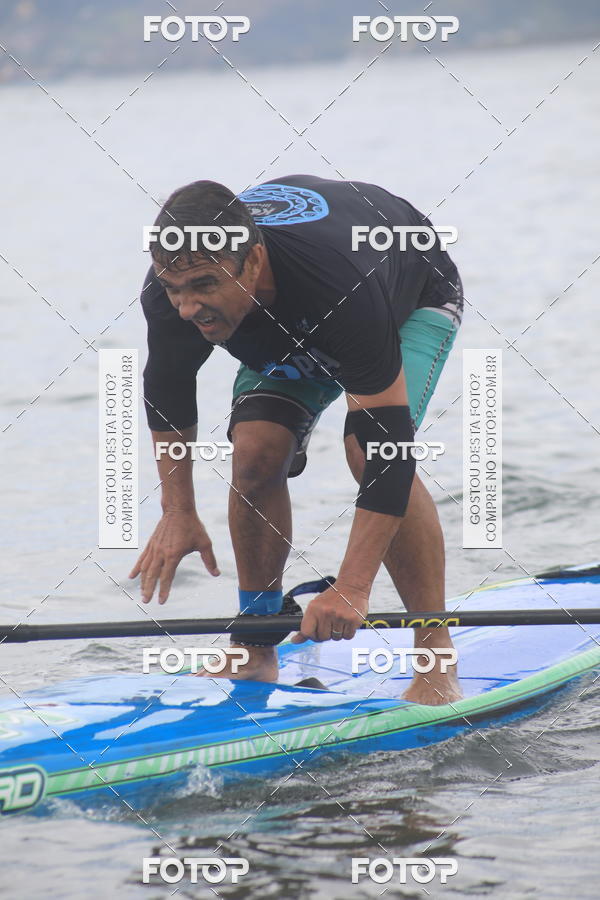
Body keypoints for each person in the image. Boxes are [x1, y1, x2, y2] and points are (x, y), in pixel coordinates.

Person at [130, 174, 463, 705]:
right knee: (255, 455)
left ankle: (435, 658)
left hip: (407, 294)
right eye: (176, 290)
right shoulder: (175, 287)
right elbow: (168, 395)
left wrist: (352, 587)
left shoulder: (339, 283)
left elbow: (390, 452)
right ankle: (255, 645)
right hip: (282, 319)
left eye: (205, 287)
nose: (188, 308)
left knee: (366, 451)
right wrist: (177, 509)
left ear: (254, 261)